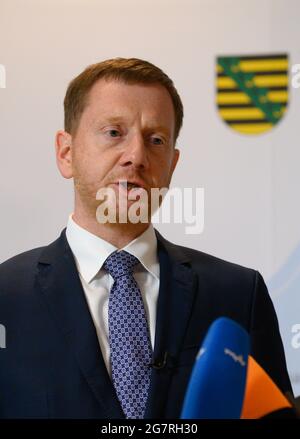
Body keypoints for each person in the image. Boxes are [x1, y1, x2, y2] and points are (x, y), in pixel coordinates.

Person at [0, 58, 292, 419]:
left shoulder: (238, 294)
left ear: (172, 163)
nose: (136, 156)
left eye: (156, 140)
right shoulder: (5, 296)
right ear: (66, 153)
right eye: (113, 133)